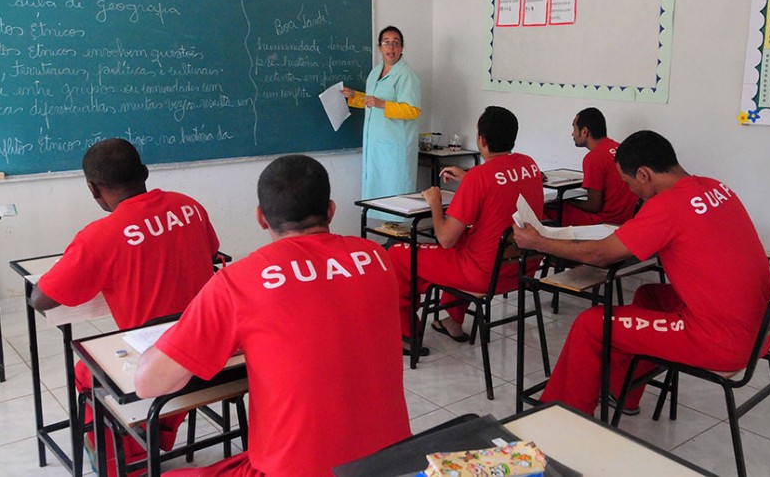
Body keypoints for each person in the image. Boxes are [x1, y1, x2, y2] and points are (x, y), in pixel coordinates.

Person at [134, 155, 411, 477]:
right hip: (393, 461)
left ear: (261, 218)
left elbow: (148, 383)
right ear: (331, 210)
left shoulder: (238, 281)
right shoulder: (378, 258)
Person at [513, 130, 770, 415]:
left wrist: (538, 242)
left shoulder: (668, 205)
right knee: (649, 295)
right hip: (760, 327)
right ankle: (624, 391)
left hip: (723, 340)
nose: (629, 190)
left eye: (627, 182)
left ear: (644, 175)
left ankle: (563, 413)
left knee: (591, 324)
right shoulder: (715, 186)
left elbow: (599, 255)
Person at [30, 138, 220, 475]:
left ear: (93, 190)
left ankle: (126, 457)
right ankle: (153, 433)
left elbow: (41, 299)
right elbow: (210, 255)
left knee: (85, 372)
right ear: (145, 172)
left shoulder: (99, 236)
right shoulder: (189, 206)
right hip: (214, 349)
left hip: (159, 363)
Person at [389, 106, 544, 346]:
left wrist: (435, 202)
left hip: (483, 275)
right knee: (466, 240)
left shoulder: (479, 178)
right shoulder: (530, 166)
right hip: (522, 268)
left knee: (399, 253)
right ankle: (452, 320)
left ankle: (406, 334)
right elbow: (500, 185)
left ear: (481, 139)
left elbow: (445, 238)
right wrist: (468, 177)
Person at [342, 25, 422, 206]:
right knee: (378, 199)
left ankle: (398, 233)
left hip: (395, 148)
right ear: (380, 47)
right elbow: (374, 102)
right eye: (386, 43)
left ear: (401, 48)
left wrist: (381, 104)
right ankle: (386, 231)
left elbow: (412, 110)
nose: (391, 48)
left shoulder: (406, 75)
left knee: (398, 200)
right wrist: (355, 96)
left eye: (396, 43)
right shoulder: (375, 72)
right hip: (377, 146)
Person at [546, 107, 638, 226]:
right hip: (627, 218)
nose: (572, 134)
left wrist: (569, 202)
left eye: (574, 128)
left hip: (605, 221)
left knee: (549, 208)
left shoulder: (594, 157)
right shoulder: (622, 148)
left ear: (584, 131)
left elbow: (594, 206)